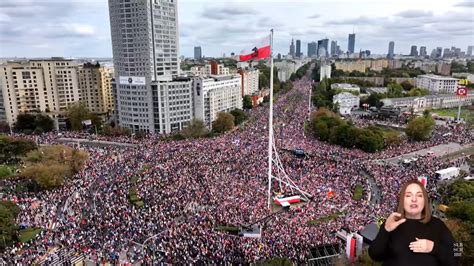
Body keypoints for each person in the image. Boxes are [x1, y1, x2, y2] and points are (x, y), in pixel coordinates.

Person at [369, 180, 456, 266]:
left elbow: (458, 252)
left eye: (419, 195)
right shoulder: (392, 223)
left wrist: (434, 248)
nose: (414, 199)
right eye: (408, 195)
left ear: (425, 200)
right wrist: (385, 230)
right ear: (402, 200)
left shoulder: (438, 225)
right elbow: (374, 255)